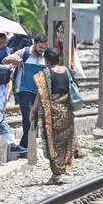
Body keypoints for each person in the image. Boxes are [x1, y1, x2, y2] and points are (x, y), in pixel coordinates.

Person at [30, 47, 80, 184]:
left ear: (46, 60)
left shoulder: (44, 74)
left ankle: (56, 174)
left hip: (52, 114)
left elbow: (40, 96)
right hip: (67, 112)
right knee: (66, 141)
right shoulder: (68, 71)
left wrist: (33, 110)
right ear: (58, 59)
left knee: (53, 143)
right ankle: (64, 167)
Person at [4, 34, 49, 150]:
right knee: (28, 116)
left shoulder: (46, 55)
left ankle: (25, 144)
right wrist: (15, 60)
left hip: (39, 92)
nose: (41, 51)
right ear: (34, 43)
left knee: (33, 118)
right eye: (40, 48)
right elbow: (6, 60)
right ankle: (27, 145)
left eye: (44, 48)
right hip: (23, 89)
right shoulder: (24, 52)